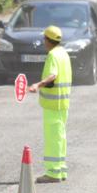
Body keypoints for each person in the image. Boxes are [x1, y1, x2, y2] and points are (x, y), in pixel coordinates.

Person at [26, 25, 72, 183]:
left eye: (44, 38)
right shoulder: (63, 53)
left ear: (48, 40)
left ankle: (53, 173)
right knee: (60, 137)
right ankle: (60, 170)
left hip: (53, 106)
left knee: (53, 139)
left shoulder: (53, 55)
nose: (43, 41)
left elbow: (53, 75)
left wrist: (37, 85)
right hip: (62, 104)